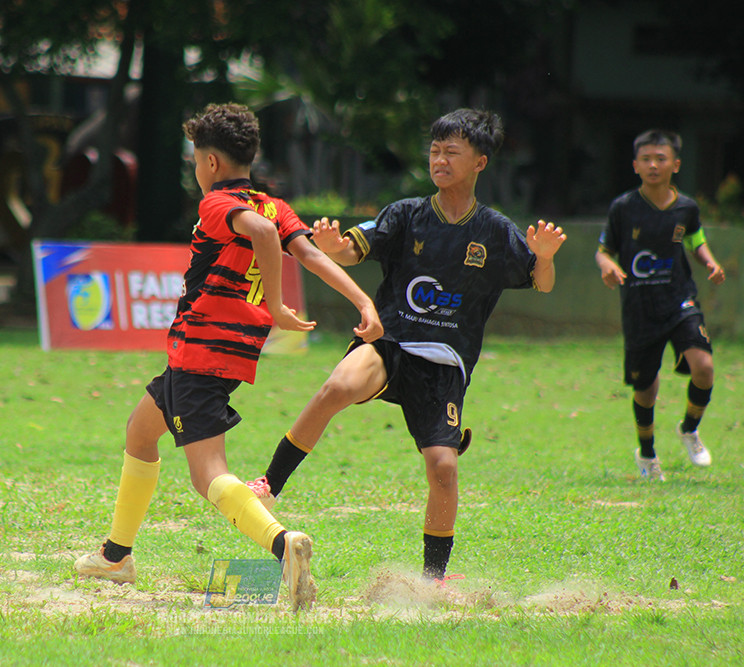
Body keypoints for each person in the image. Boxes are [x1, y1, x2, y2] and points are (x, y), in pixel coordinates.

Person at [74, 102, 383, 612]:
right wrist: (364, 301)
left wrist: (279, 305)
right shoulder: (273, 205)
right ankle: (115, 556)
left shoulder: (217, 205)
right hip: (215, 356)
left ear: (211, 163)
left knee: (207, 474)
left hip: (201, 353)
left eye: (195, 160)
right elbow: (309, 253)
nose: (195, 171)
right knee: (140, 430)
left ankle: (283, 546)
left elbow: (262, 238)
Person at [247, 108, 567, 583]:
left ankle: (433, 579)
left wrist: (543, 257)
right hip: (391, 341)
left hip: (444, 366)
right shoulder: (407, 214)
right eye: (435, 151)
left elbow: (541, 284)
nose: (439, 160)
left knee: (443, 469)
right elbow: (354, 249)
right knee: (337, 386)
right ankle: (270, 484)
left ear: (479, 162)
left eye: (451, 152)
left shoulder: (495, 231)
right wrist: (334, 246)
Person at [594, 129, 725, 482]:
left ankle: (689, 429)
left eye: (661, 158)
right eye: (647, 159)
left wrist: (709, 262)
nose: (654, 165)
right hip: (639, 305)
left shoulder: (686, 207)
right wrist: (607, 264)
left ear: (676, 164)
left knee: (704, 365)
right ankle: (648, 454)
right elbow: (604, 249)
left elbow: (696, 238)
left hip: (680, 298)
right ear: (636, 165)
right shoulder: (623, 208)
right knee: (646, 388)